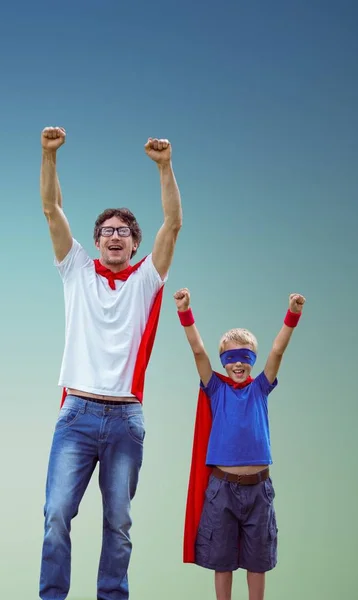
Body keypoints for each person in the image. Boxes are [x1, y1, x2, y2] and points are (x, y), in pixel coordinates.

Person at [39, 126, 182, 600]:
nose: (114, 237)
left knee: (118, 523)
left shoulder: (146, 281)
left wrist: (164, 167)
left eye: (123, 232)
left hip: (125, 417)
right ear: (96, 240)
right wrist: (49, 156)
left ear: (135, 244)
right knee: (57, 513)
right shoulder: (76, 270)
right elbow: (51, 209)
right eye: (106, 232)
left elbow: (173, 224)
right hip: (77, 414)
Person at [173, 287, 305, 600]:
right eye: (231, 358)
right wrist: (184, 311)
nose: (238, 364)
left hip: (259, 489)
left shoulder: (261, 388)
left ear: (252, 361)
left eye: (245, 357)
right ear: (223, 361)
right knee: (222, 560)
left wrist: (293, 315)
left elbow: (277, 352)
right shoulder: (215, 389)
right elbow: (198, 352)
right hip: (222, 489)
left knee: (257, 560)